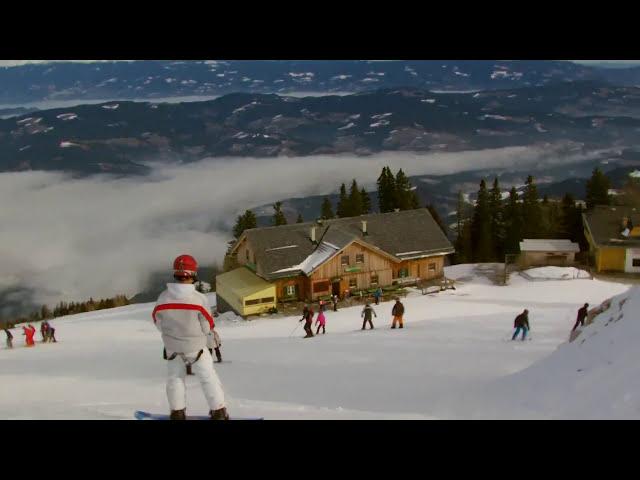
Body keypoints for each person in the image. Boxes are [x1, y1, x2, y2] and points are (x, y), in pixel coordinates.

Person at [152, 254, 229, 420]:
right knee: (208, 378)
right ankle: (219, 411)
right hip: (196, 348)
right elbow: (208, 325)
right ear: (193, 274)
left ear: (175, 273)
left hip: (172, 348)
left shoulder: (163, 298)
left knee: (175, 379)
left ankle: (177, 413)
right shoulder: (199, 299)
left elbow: (157, 321)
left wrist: (172, 333)